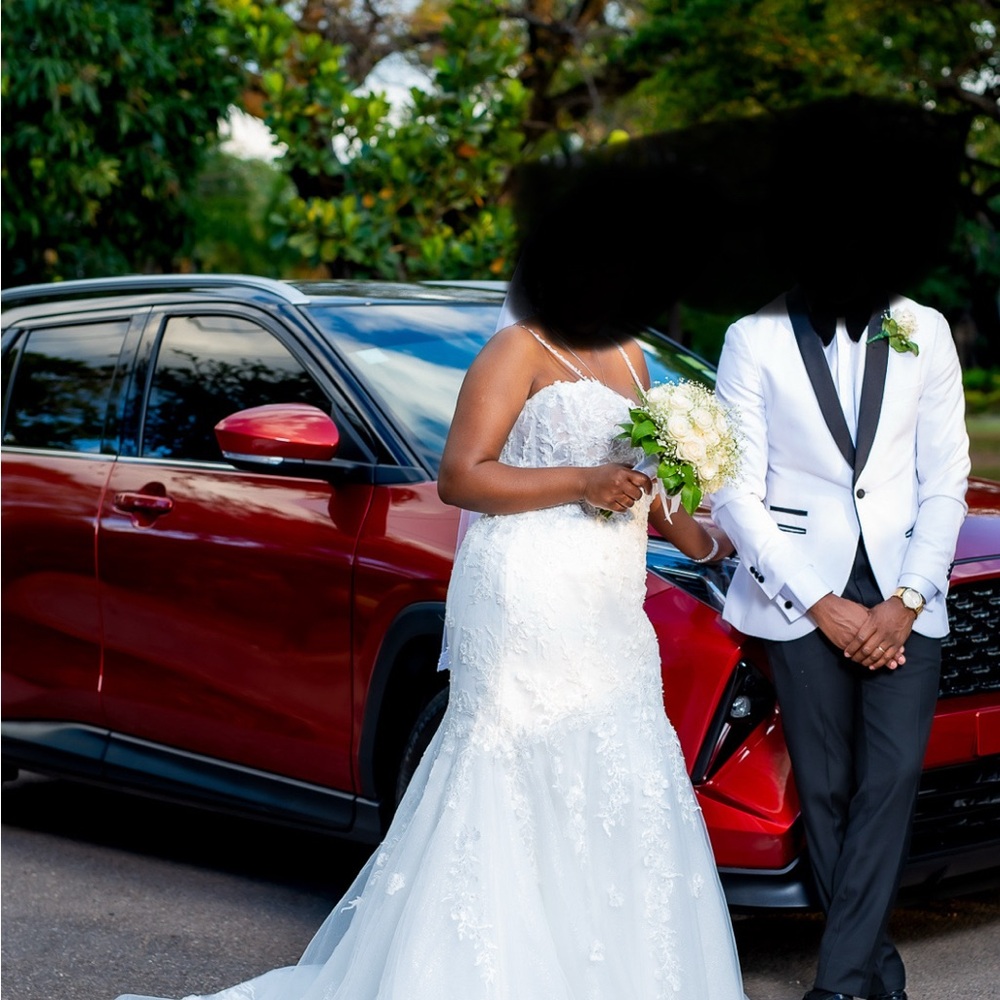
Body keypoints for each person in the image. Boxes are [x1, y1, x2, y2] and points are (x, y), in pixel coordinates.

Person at [115, 265, 747, 998]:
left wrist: (706, 543)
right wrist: (580, 482)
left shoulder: (633, 356)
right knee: (513, 770)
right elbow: (461, 476)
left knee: (616, 768)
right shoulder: (518, 348)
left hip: (609, 597)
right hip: (528, 587)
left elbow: (637, 477)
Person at [709, 102, 971, 1000]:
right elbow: (736, 488)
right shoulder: (753, 339)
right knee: (824, 787)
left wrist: (904, 598)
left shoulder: (925, 330)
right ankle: (872, 974)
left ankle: (837, 984)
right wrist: (822, 601)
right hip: (798, 593)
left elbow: (948, 477)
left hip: (906, 592)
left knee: (891, 777)